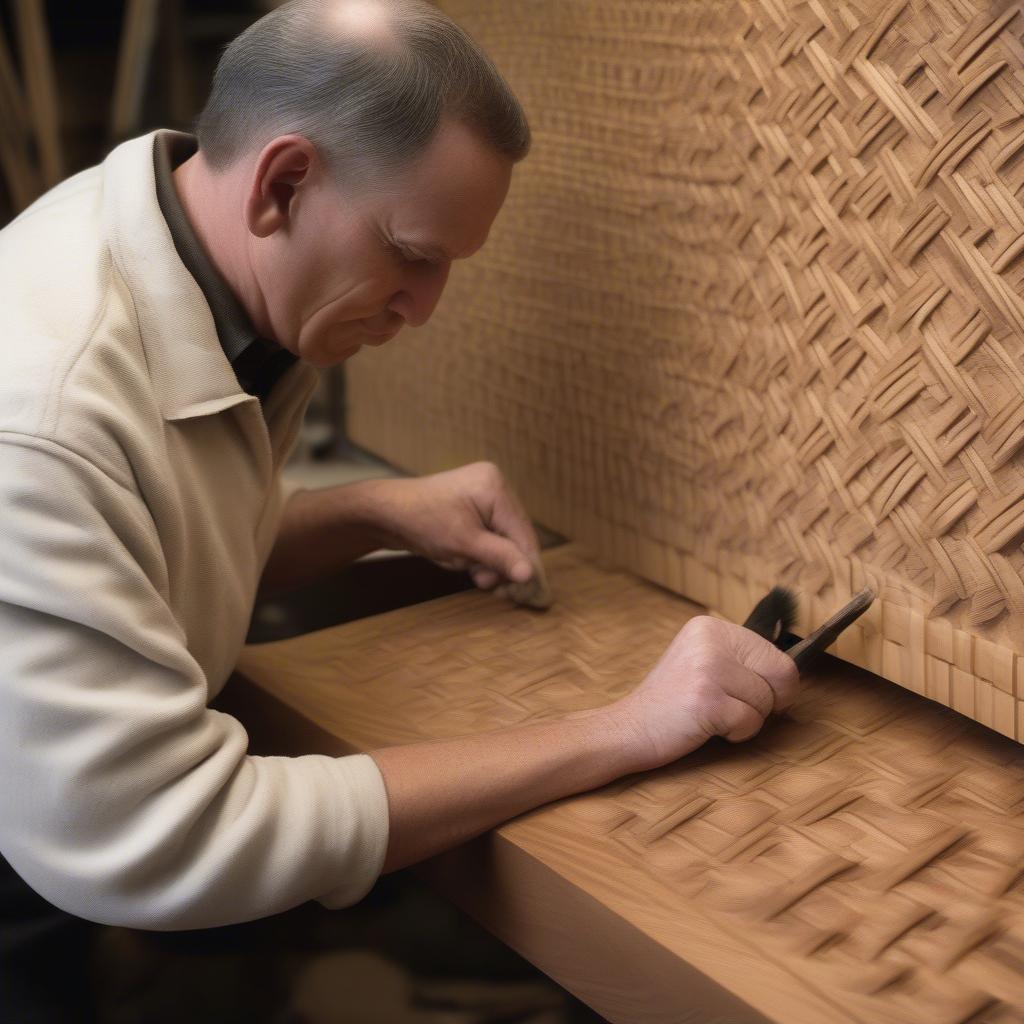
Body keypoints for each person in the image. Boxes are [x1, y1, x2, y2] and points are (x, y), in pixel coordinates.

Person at [0, 0, 800, 1018]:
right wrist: (629, 726)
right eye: (412, 254)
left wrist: (371, 512)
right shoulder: (42, 410)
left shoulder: (192, 253)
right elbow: (164, 836)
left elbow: (143, 550)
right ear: (283, 183)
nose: (425, 309)